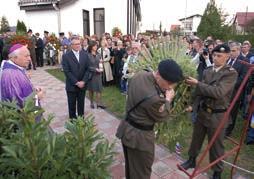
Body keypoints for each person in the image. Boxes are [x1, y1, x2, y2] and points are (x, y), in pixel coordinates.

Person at [116, 59, 183, 179]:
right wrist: (168, 100)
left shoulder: (139, 75)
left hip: (127, 129)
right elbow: (163, 116)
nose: (170, 87)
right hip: (140, 139)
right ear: (158, 74)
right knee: (142, 172)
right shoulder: (154, 99)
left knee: (131, 168)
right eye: (168, 83)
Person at [180, 44, 238, 179]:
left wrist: (198, 84)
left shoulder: (230, 73)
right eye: (214, 55)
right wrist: (193, 106)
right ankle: (191, 160)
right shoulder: (207, 70)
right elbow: (199, 92)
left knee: (216, 146)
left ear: (227, 57)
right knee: (196, 139)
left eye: (219, 56)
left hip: (218, 115)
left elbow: (218, 92)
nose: (216, 58)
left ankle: (217, 172)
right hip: (203, 112)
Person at [0, 44, 44, 111]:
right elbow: (16, 103)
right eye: (26, 56)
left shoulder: (16, 68)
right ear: (14, 58)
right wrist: (36, 97)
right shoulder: (10, 74)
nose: (29, 59)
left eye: (29, 55)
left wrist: (33, 91)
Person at [62, 36, 90, 119]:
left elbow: (88, 69)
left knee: (81, 105)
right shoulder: (66, 56)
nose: (78, 45)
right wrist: (76, 82)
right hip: (72, 86)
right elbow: (67, 71)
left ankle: (81, 122)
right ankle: (73, 123)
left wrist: (83, 81)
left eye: (79, 44)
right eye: (76, 44)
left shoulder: (85, 55)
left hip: (82, 85)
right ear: (71, 45)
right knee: (72, 106)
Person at [225, 42, 247, 137]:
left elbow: (242, 78)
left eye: (233, 51)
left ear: (238, 50)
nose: (231, 53)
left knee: (232, 112)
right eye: (230, 51)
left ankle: (228, 131)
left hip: (235, 92)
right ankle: (222, 126)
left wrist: (230, 85)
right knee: (224, 110)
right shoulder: (228, 60)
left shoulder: (244, 61)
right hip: (225, 91)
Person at [87, 40, 105, 109]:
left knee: (99, 89)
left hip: (98, 75)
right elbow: (87, 66)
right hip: (91, 75)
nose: (96, 47)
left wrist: (101, 63)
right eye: (94, 46)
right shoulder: (87, 55)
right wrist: (95, 69)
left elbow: (100, 63)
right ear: (91, 46)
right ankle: (91, 102)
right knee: (91, 90)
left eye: (97, 45)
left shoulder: (98, 54)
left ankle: (98, 103)